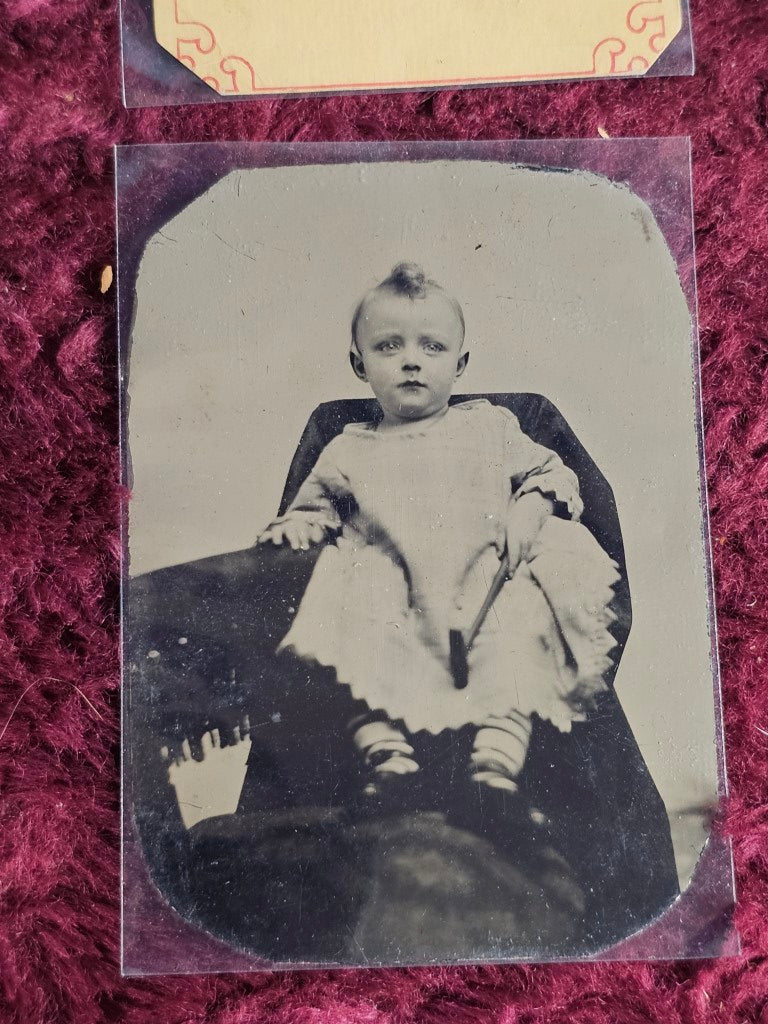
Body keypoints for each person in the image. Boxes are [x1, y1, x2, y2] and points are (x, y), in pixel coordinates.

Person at [258, 262, 620, 808]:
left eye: (431, 347)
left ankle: (495, 766)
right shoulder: (348, 446)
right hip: (393, 588)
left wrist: (530, 506)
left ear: (460, 363)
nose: (410, 360)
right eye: (388, 347)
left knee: (517, 637)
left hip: (481, 577)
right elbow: (315, 510)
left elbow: (553, 473)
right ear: (359, 365)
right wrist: (300, 529)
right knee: (346, 635)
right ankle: (387, 755)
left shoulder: (490, 425)